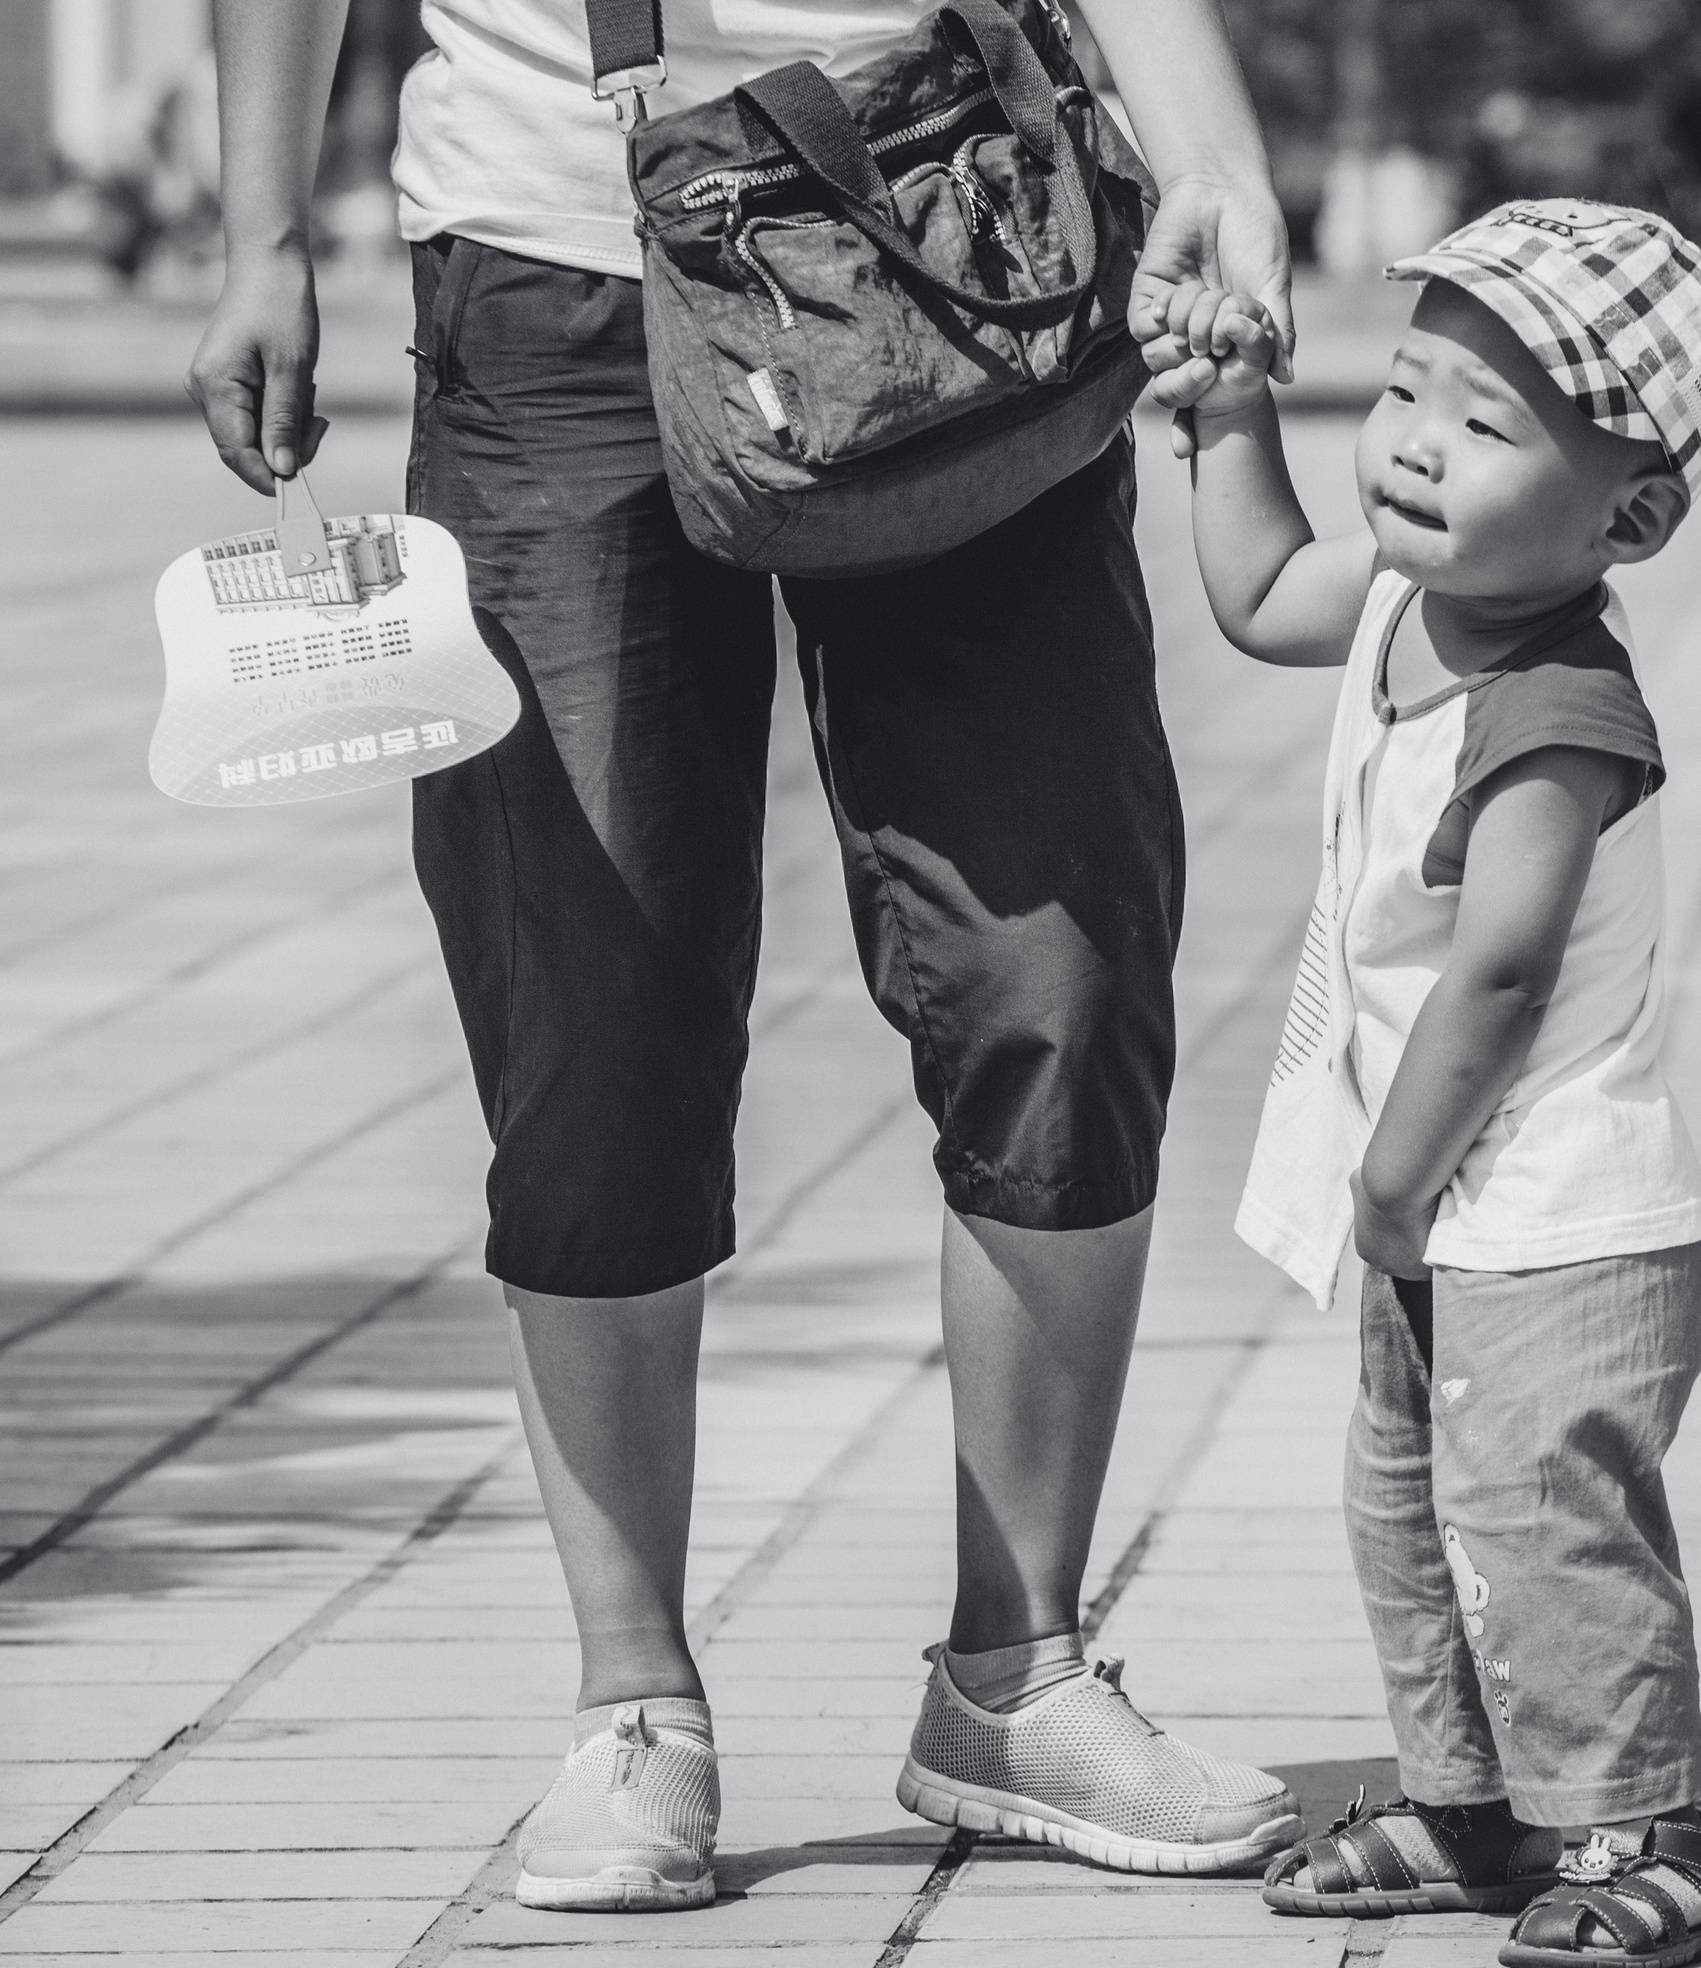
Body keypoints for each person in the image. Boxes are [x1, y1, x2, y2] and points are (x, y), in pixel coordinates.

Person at [187, 0, 1303, 1913]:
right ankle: (632, 1702)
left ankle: (1018, 1674)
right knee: (592, 1002)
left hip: (940, 215)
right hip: (554, 265)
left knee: (1063, 966)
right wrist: (259, 232)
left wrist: (1216, 161)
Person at [1143, 199, 1701, 1967]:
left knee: (1548, 1531)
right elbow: (1262, 594)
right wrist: (1231, 413)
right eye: (1405, 389)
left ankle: (1653, 1831)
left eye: (1484, 425)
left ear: (1630, 517)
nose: (1414, 442)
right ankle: (1477, 1803)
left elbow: (1502, 973)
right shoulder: (1413, 596)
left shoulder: (1560, 708)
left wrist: (1395, 1178)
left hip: (1552, 1216)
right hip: (1447, 1206)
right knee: (1414, 1510)